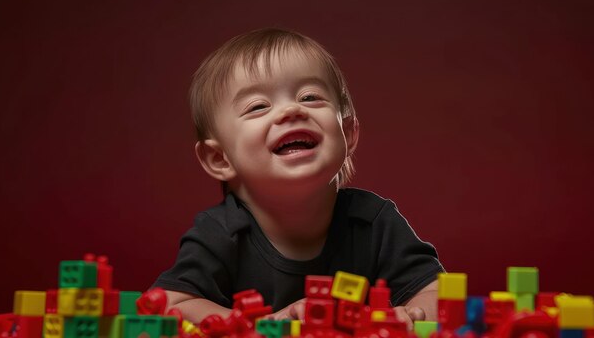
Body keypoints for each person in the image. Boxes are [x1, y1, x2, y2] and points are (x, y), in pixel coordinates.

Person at [152, 28, 444, 329]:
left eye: (310, 97)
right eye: (258, 106)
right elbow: (169, 303)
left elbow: (436, 292)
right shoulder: (221, 234)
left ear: (347, 133)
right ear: (220, 158)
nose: (292, 109)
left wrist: (411, 314)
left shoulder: (374, 223)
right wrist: (259, 327)